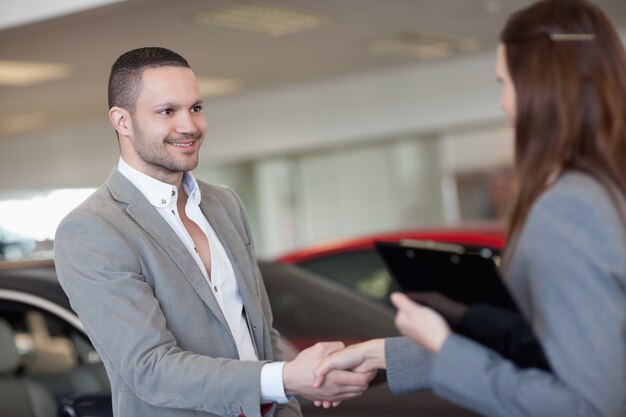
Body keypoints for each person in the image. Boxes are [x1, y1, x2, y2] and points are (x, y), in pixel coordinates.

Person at [314, 0, 626, 416]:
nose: (503, 103)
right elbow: (553, 347)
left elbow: (581, 405)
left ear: (539, 86)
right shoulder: (606, 191)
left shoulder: (568, 209)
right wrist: (379, 354)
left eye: (505, 82)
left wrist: (443, 347)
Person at [54, 47, 373, 417]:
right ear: (122, 121)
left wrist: (291, 395)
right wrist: (285, 379)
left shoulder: (225, 204)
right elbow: (151, 370)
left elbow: (260, 332)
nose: (189, 125)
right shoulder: (93, 229)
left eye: (196, 108)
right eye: (167, 111)